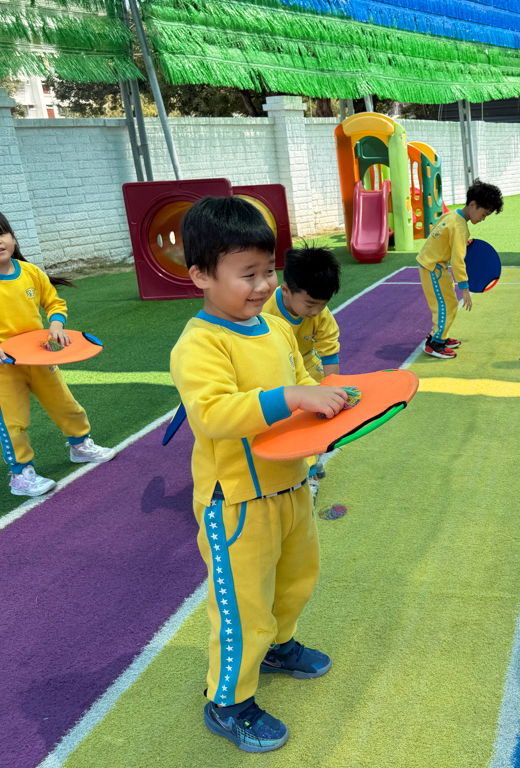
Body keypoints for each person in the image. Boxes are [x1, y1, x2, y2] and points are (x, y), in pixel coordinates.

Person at [170, 196, 349, 753]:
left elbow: (303, 383)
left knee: (297, 579)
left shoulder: (275, 330)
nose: (263, 285)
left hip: (292, 486)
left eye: (268, 271)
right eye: (247, 274)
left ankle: (279, 647)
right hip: (237, 504)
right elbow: (213, 413)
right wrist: (291, 397)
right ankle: (227, 702)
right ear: (201, 275)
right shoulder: (199, 344)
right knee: (243, 608)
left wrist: (331, 404)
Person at [0, 207, 117, 497]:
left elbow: (54, 304)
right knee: (13, 422)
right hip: (0, 365)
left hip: (40, 355)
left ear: (12, 236)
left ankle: (80, 445)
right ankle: (21, 475)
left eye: (1, 232)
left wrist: (56, 325)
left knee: (65, 404)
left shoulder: (31, 272)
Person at [262, 244, 342, 492]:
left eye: (323, 304)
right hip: (274, 370)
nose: (316, 312)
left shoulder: (320, 314)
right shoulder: (264, 309)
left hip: (307, 369)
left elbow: (329, 352)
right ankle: (300, 466)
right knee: (286, 423)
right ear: (286, 290)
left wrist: (331, 389)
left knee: (314, 420)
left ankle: (311, 471)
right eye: (310, 304)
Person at [416, 179, 503, 359]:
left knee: (450, 303)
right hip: (433, 267)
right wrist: (465, 288)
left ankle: (442, 335)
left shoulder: (452, 216)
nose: (483, 219)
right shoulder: (460, 227)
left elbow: (442, 234)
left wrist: (461, 243)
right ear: (472, 205)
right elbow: (458, 260)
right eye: (484, 214)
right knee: (444, 305)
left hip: (435, 264)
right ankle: (435, 343)